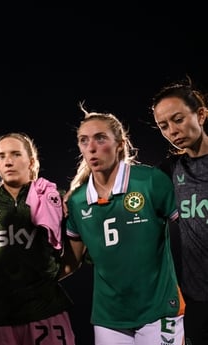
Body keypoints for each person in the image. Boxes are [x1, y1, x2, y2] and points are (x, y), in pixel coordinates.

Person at [63, 105, 185, 344]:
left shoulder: (150, 181)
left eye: (100, 138)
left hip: (159, 309)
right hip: (110, 317)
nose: (91, 147)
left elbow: (192, 233)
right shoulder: (77, 201)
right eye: (84, 140)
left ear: (120, 144)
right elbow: (71, 262)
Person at [0, 132, 76, 345]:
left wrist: (47, 276)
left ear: (31, 162)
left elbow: (75, 253)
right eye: (1, 156)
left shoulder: (55, 198)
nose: (8, 161)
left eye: (16, 154)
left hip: (46, 309)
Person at [152, 79, 208, 345]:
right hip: (196, 300)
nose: (173, 131)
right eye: (164, 126)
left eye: (178, 119)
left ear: (201, 114)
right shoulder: (170, 170)